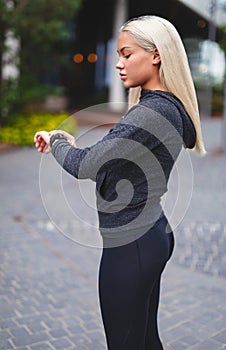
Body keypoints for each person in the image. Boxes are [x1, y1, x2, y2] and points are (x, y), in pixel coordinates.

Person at [34, 15, 205, 350]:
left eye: (127, 54)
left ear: (156, 55)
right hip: (148, 236)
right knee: (144, 340)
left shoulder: (151, 113)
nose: (118, 64)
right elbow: (107, 159)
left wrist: (57, 143)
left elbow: (86, 165)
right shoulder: (162, 109)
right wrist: (67, 142)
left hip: (132, 245)